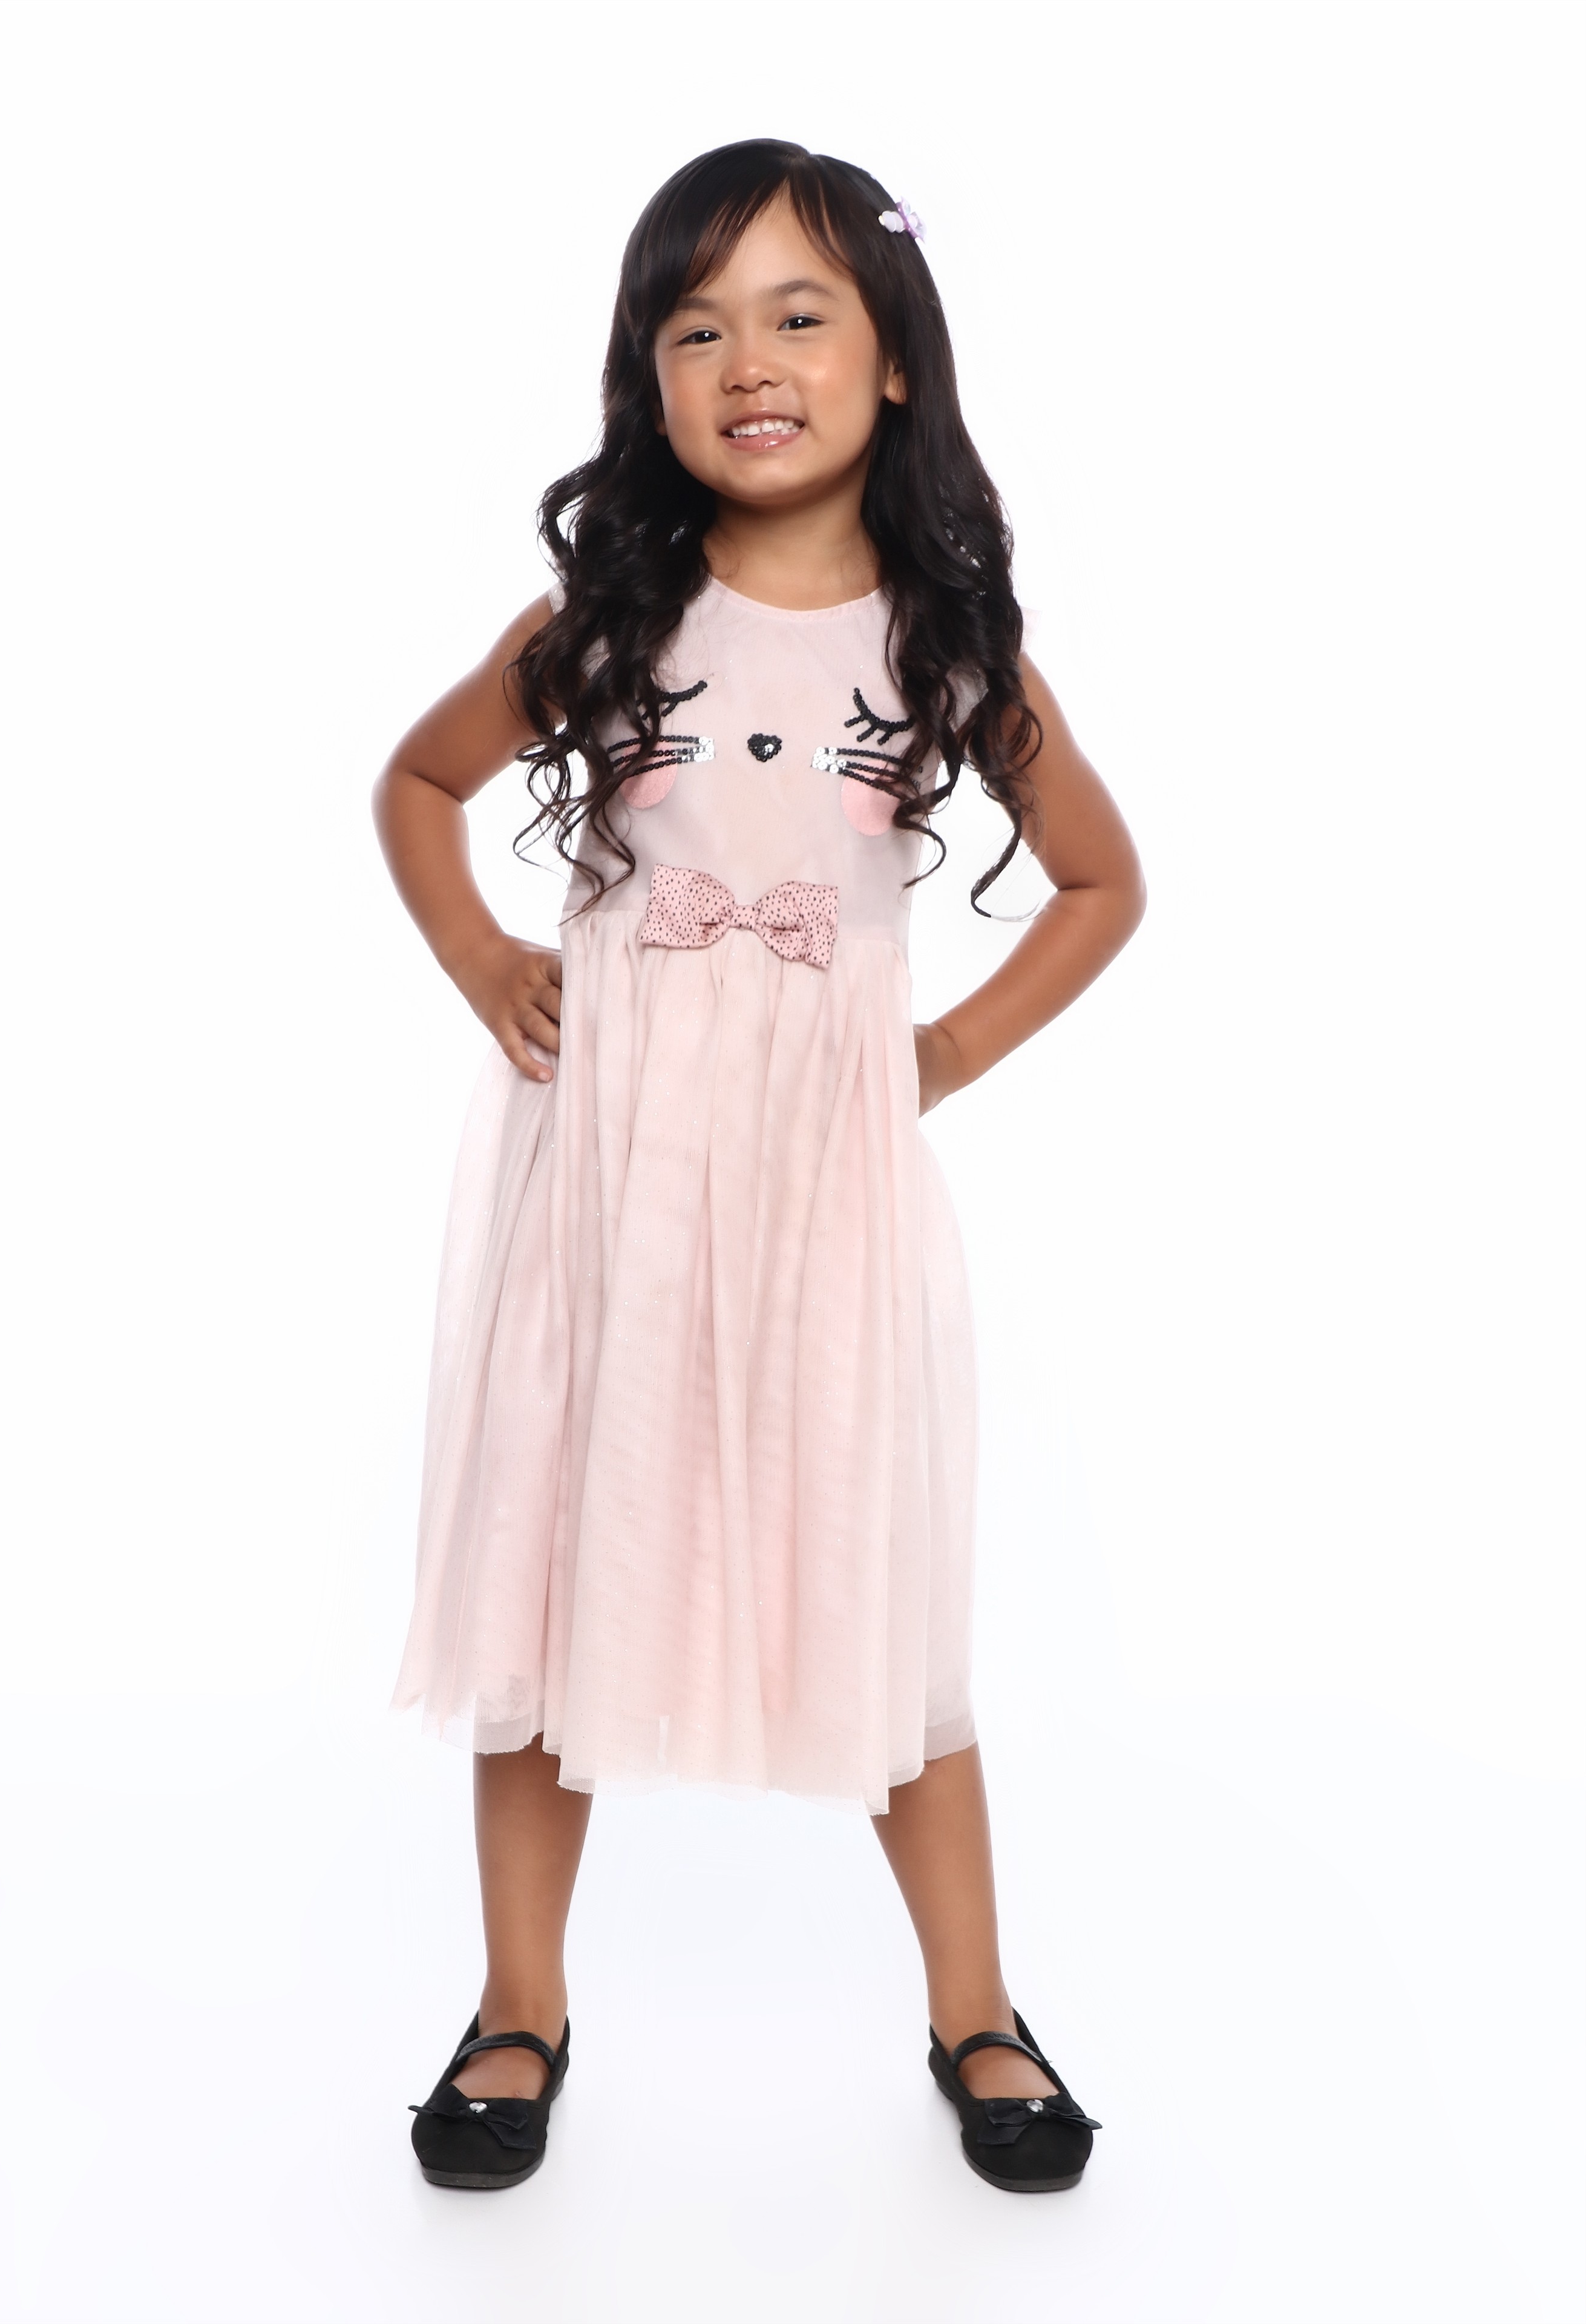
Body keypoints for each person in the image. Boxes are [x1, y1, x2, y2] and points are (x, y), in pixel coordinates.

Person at [374, 139, 1144, 2196]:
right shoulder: (610, 619)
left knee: (876, 1576)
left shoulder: (944, 641)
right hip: (609, 1168)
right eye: (694, 326)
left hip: (819, 1181)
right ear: (648, 376)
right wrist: (481, 958)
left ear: (892, 360)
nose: (747, 362)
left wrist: (938, 1053)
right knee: (552, 1564)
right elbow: (421, 778)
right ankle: (518, 2006)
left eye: (799, 314)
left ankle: (974, 2008)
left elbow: (1099, 882)